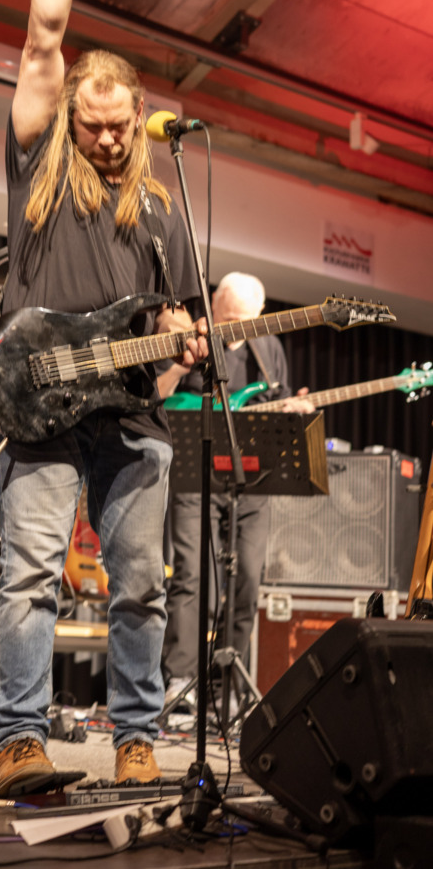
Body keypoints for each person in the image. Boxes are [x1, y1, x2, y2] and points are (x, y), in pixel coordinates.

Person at [0, 0, 208, 797]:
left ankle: (136, 740)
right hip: (41, 401)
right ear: (71, 115)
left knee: (140, 587)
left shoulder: (160, 208)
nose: (109, 140)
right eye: (94, 125)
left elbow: (180, 323)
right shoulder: (41, 164)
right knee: (30, 576)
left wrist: (183, 352)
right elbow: (42, 38)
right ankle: (19, 742)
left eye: (121, 127)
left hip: (131, 420)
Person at [157, 272, 314, 710]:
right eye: (227, 319)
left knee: (246, 579)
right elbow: (157, 395)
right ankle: (181, 681)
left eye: (244, 321)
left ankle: (226, 687)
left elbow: (278, 404)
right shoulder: (188, 336)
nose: (234, 329)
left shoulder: (269, 349)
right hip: (196, 477)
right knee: (194, 577)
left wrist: (297, 409)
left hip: (252, 480)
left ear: (260, 315)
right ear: (212, 305)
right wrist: (179, 365)